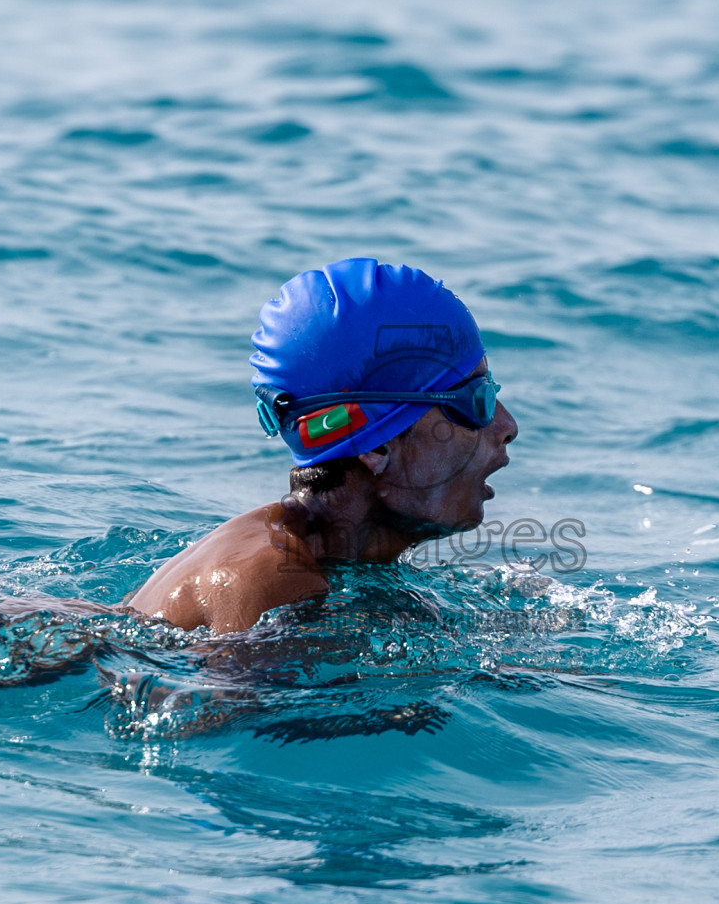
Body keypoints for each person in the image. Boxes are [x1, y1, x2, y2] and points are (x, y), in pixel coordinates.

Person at [124, 257, 518, 635]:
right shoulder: (267, 581)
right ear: (377, 447)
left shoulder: (330, 565)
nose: (506, 425)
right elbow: (221, 702)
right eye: (474, 399)